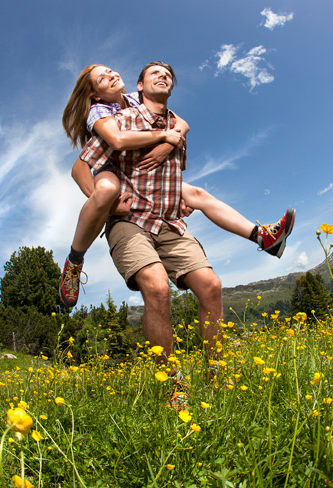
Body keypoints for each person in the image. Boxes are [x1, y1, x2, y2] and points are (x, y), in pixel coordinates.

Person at [63, 61, 295, 361]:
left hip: (165, 218)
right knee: (156, 286)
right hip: (129, 212)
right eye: (155, 73)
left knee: (209, 271)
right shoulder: (116, 118)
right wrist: (103, 199)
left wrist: (171, 141)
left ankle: (262, 237)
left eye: (168, 75)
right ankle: (75, 260)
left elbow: (176, 150)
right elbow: (82, 164)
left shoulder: (172, 125)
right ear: (140, 85)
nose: (164, 76)